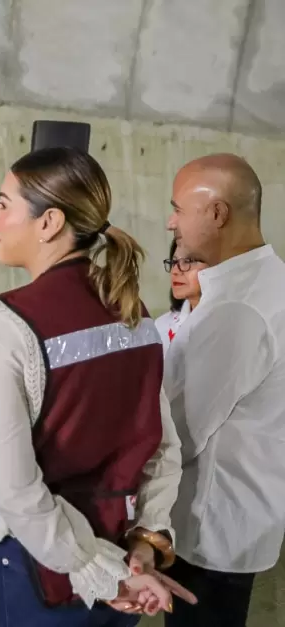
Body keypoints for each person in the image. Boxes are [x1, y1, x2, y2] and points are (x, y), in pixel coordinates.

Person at [0, 146, 197, 626]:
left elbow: (16, 490)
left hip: (29, 573)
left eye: (4, 204)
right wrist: (145, 543)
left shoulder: (7, 320)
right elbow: (163, 448)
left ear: (48, 223)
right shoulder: (134, 311)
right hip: (121, 558)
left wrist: (98, 570)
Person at [162, 154, 285, 627]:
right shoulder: (265, 282)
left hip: (208, 530)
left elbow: (179, 432)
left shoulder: (237, 309)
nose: (171, 220)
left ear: (217, 213)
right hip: (241, 519)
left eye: (177, 208)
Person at [154, 240, 207, 355]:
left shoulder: (236, 323)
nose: (175, 271)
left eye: (189, 261)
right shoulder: (161, 327)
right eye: (174, 262)